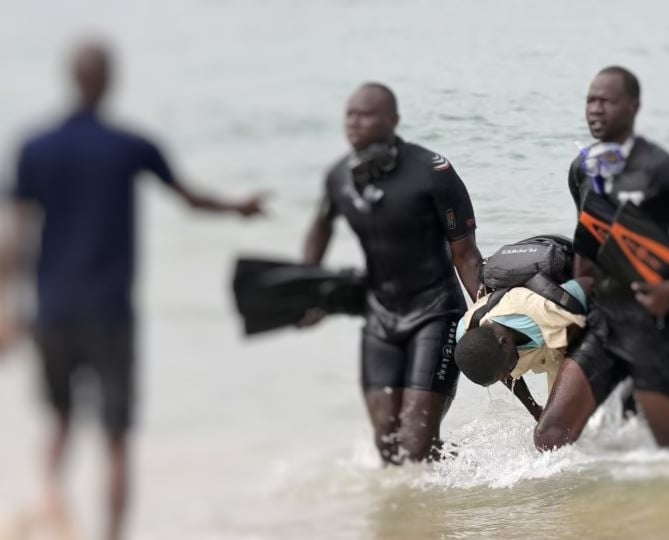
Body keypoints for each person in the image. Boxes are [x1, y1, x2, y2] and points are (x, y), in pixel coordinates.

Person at [0, 39, 265, 540]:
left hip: (52, 312)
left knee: (58, 419)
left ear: (71, 79)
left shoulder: (34, 147)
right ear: (107, 81)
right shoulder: (130, 146)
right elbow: (189, 199)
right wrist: (239, 207)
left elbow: (14, 235)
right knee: (116, 438)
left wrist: (6, 310)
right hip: (109, 315)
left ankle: (49, 499)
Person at [533, 66, 669, 452]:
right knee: (550, 438)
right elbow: (588, 245)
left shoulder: (659, 167)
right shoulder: (583, 169)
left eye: (607, 101)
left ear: (633, 107)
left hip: (651, 329)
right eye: (590, 100)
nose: (595, 109)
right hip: (603, 323)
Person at [300, 82, 483, 465]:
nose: (353, 122)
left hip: (436, 311)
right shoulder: (338, 178)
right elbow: (320, 228)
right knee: (388, 445)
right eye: (349, 114)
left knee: (415, 442)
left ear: (392, 120)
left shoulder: (433, 171)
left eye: (364, 114)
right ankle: (455, 484)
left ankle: (464, 492)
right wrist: (307, 290)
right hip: (381, 317)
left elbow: (464, 255)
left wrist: (486, 313)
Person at [454, 272, 592, 420]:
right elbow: (502, 372)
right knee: (558, 422)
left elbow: (589, 284)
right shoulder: (467, 333)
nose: (508, 377)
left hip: (570, 331)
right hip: (546, 346)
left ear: (504, 343)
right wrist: (535, 411)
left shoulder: (543, 310)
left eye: (506, 371)